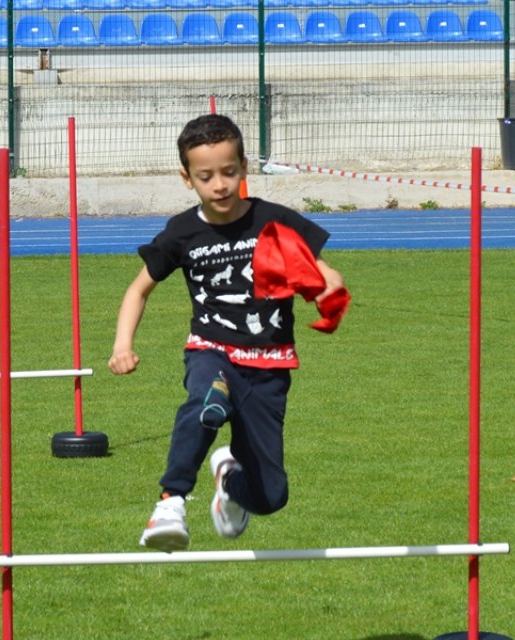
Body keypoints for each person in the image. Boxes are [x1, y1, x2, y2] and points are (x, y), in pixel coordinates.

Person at [108, 114, 346, 552]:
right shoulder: (182, 232)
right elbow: (138, 290)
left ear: (244, 169)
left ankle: (231, 479)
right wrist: (123, 345)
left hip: (270, 366)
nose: (219, 184)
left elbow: (321, 271)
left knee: (272, 497)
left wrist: (329, 282)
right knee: (207, 401)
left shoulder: (275, 221)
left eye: (229, 172)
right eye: (206, 176)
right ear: (187, 178)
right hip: (212, 350)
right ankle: (170, 501)